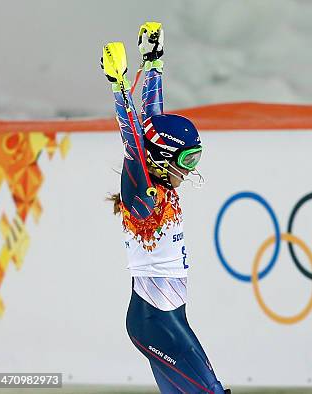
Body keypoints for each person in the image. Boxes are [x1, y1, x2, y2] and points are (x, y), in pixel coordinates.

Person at [102, 21, 229, 394]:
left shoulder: (158, 181)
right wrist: (118, 85)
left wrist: (154, 62)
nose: (190, 170)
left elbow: (154, 122)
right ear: (161, 159)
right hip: (155, 320)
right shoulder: (140, 190)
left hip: (165, 317)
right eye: (186, 160)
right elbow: (135, 138)